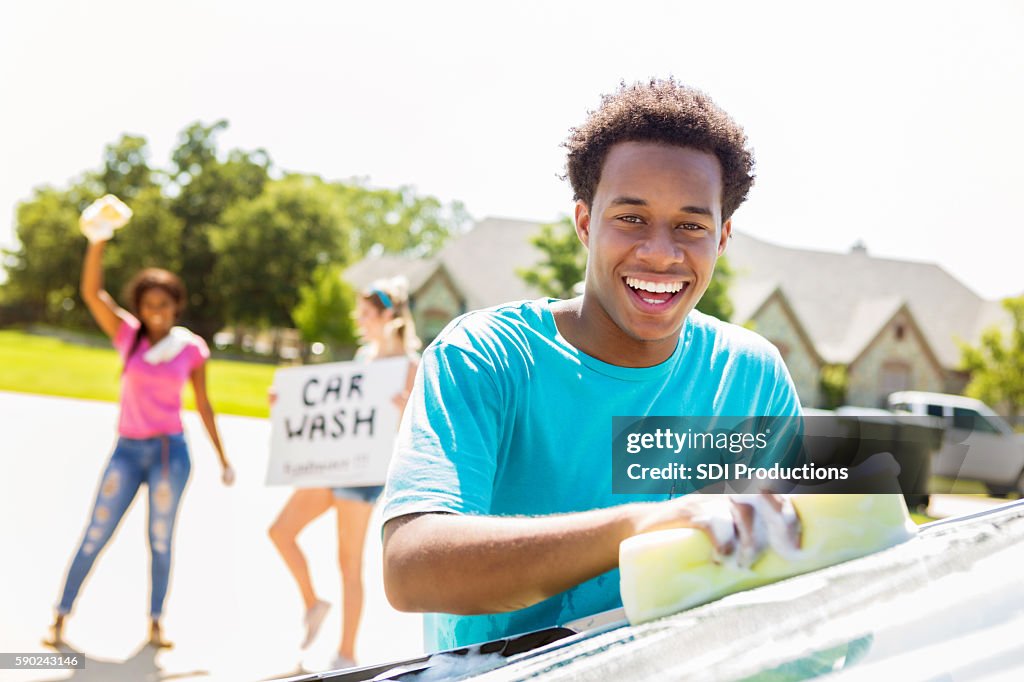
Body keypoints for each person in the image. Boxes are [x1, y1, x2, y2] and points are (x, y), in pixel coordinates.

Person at [380, 79, 806, 651]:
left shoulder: (753, 375)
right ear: (585, 222)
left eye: (692, 225)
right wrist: (635, 528)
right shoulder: (483, 355)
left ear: (723, 237)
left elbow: (798, 564)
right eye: (631, 218)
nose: (660, 251)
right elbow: (410, 568)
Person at [47, 214, 234, 650]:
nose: (156, 312)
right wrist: (98, 241)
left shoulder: (190, 348)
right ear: (139, 307)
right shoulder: (128, 336)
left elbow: (204, 406)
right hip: (127, 452)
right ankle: (60, 615)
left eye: (164, 305)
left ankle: (155, 623)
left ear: (176, 306)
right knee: (97, 530)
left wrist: (223, 457)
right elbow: (92, 293)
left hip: (171, 455)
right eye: (148, 305)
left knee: (161, 539)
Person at [268, 277, 420, 669]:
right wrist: (286, 406)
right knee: (281, 531)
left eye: (367, 314)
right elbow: (331, 414)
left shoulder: (409, 367)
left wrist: (404, 409)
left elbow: (416, 432)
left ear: (389, 315)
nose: (359, 320)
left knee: (347, 565)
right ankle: (313, 602)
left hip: (364, 474)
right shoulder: (363, 360)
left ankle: (346, 654)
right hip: (333, 465)